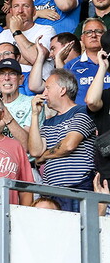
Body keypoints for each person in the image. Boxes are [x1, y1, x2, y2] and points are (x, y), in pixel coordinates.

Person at [28, 69, 96, 211]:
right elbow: (35, 151)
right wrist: (35, 115)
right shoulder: (48, 122)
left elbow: (69, 145)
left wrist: (45, 156)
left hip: (78, 189)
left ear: (62, 90)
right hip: (52, 193)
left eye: (48, 88)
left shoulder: (82, 112)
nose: (43, 93)